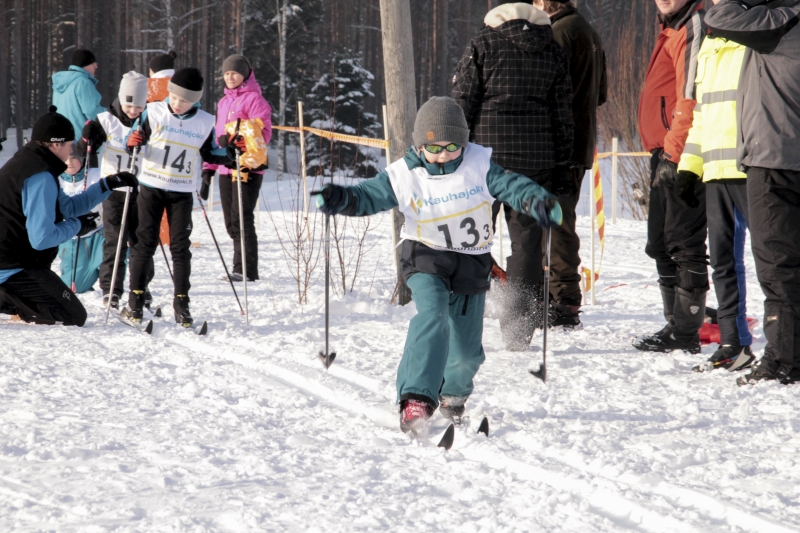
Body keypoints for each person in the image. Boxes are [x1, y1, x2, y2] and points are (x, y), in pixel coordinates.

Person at [314, 97, 562, 433]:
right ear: (419, 144)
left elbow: (513, 187)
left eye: (451, 146)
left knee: (466, 353)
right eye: (433, 147)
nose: (442, 154)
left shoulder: (480, 165)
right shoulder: (405, 174)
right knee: (432, 317)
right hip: (425, 255)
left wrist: (536, 200)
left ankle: (453, 396)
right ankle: (415, 397)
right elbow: (367, 195)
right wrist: (341, 199)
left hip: (472, 261)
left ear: (464, 142)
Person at [452, 2, 573, 350]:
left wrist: (453, 155)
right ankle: (518, 332)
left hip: (484, 161)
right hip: (537, 160)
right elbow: (563, 113)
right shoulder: (552, 50)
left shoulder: (483, 44)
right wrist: (563, 165)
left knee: (468, 237)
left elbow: (462, 101)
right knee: (527, 247)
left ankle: (462, 318)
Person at [705, 0, 800, 385]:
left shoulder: (777, 23)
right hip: (783, 155)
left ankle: (785, 361)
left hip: (773, 159)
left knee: (778, 268)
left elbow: (718, 15)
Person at [122, 67, 241, 327]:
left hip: (182, 193)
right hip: (151, 187)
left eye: (184, 100)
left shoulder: (204, 121)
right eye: (174, 97)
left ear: (196, 99)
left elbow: (212, 154)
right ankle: (135, 301)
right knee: (145, 244)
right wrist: (132, 141)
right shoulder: (153, 112)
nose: (177, 104)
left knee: (180, 249)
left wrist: (231, 152)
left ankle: (182, 304)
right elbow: (129, 142)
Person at [0, 106, 137, 326]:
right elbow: (41, 238)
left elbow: (68, 208)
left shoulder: (35, 163)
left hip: (15, 260)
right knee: (73, 316)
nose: (72, 149)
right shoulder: (40, 177)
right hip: (12, 265)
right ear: (55, 144)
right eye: (69, 144)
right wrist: (76, 226)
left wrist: (108, 184)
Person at [676, 15, 755, 373]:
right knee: (723, 263)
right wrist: (690, 167)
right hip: (716, 173)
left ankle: (788, 342)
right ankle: (732, 344)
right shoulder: (708, 43)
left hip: (754, 168)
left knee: (778, 263)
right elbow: (703, 114)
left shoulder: (757, 38)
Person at [633, 0, 708, 355]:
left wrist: (673, 153)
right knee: (660, 243)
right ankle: (674, 321)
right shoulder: (669, 28)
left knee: (683, 243)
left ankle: (686, 333)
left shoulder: (691, 26)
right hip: (661, 150)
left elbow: (689, 96)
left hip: (680, 152)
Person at [533, 0, 607, 329]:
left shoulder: (558, 32)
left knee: (557, 220)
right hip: (580, 140)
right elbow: (601, 93)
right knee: (559, 217)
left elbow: (545, 90)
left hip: (559, 143)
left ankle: (563, 300)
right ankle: (558, 294)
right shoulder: (588, 30)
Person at [79, 71, 155, 309]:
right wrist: (86, 139)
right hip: (112, 190)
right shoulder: (106, 119)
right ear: (121, 100)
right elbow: (86, 149)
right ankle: (110, 288)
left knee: (140, 241)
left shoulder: (151, 120)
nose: (133, 110)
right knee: (114, 239)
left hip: (141, 189)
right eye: (129, 105)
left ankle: (141, 285)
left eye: (139, 106)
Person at [201, 54, 273, 282]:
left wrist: (240, 140)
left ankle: (245, 270)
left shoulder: (255, 100)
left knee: (242, 218)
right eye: (226, 73)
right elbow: (216, 139)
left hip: (248, 167)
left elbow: (263, 133)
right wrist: (208, 169)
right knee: (230, 222)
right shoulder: (223, 102)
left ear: (245, 74)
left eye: (234, 72)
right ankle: (239, 267)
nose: (230, 77)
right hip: (226, 168)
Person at [56, 152, 104, 294]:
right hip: (72, 237)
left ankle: (110, 288)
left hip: (99, 232)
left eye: (74, 158)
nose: (70, 162)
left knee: (109, 258)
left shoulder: (95, 175)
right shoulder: (55, 180)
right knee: (75, 287)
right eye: (66, 158)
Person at [51, 49, 106, 143]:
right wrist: (111, 115)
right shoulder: (82, 82)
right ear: (84, 65)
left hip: (61, 140)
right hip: (80, 141)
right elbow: (92, 111)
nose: (96, 66)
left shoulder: (61, 83)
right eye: (92, 63)